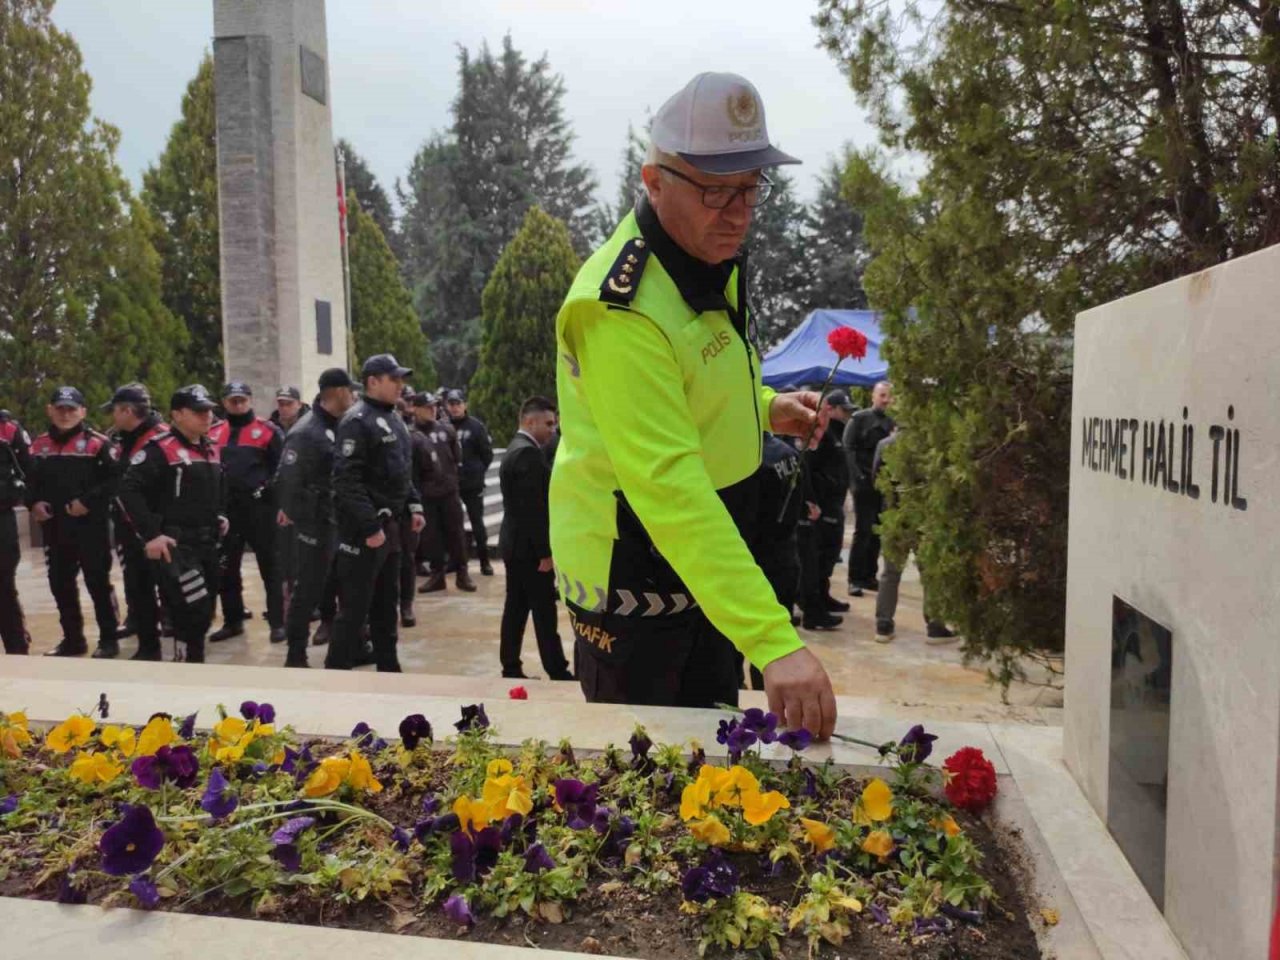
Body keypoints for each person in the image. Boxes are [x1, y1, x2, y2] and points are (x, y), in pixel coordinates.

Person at [547, 72, 836, 737]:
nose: (738, 212)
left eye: (750, 188)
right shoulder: (619, 309)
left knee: (716, 743)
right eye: (714, 190)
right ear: (653, 181)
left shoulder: (702, 255)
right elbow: (667, 484)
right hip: (636, 568)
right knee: (650, 781)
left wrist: (764, 406)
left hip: (707, 561)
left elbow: (701, 375)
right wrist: (775, 642)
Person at [326, 354, 425, 672]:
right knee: (354, 610)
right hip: (364, 532)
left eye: (401, 379)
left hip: (390, 528)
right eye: (394, 379)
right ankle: (336, 672)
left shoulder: (394, 418)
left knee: (387, 604)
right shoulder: (357, 421)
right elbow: (346, 480)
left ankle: (388, 665)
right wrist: (369, 527)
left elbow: (399, 471)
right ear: (373, 382)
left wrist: (413, 504)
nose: (401, 385)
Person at [117, 385, 227, 664]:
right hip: (177, 546)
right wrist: (151, 535)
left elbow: (206, 491)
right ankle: (185, 668)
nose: (207, 416)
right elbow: (128, 489)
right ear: (177, 415)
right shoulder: (160, 449)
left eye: (209, 410)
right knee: (192, 608)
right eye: (198, 411)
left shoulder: (210, 448)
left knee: (205, 614)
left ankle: (193, 665)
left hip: (207, 544)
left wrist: (219, 515)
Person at [26, 386, 121, 658]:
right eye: (60, 408)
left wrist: (87, 502)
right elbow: (31, 481)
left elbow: (115, 480)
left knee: (98, 584)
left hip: (91, 528)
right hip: (56, 530)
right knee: (61, 585)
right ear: (50, 410)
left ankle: (109, 639)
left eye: (71, 409)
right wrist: (34, 503)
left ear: (83, 412)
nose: (65, 414)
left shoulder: (98, 444)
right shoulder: (39, 444)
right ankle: (73, 640)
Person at [274, 368, 356, 667]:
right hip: (315, 523)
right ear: (335, 393)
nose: (354, 395)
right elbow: (286, 480)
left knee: (343, 585)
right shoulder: (306, 431)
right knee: (307, 589)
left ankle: (351, 644)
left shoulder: (341, 424)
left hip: (338, 520)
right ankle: (296, 654)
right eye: (350, 390)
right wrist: (302, 516)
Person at [498, 396, 573, 681]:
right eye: (549, 423)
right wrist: (545, 552)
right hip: (529, 550)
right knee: (543, 611)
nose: (553, 429)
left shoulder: (517, 449)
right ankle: (557, 669)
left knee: (515, 608)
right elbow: (533, 510)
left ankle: (511, 667)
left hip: (515, 545)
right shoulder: (528, 454)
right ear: (530, 421)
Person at [208, 381, 285, 643]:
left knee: (270, 567)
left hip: (260, 510)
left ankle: (278, 622)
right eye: (232, 400)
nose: (238, 404)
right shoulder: (214, 431)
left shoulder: (267, 431)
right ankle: (233, 621)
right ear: (224, 402)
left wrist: (269, 492)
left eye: (242, 399)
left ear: (250, 400)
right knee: (226, 569)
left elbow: (282, 469)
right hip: (227, 512)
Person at [870, 428, 957, 645]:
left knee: (890, 573)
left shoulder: (885, 444)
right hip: (924, 516)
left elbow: (876, 480)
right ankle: (935, 626)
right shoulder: (930, 445)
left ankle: (883, 624)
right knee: (930, 573)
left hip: (894, 514)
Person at [105, 384, 170, 660]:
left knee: (170, 589)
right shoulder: (122, 438)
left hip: (158, 529)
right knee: (138, 587)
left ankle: (185, 649)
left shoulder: (161, 438)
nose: (112, 417)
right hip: (129, 528)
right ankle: (148, 646)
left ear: (128, 411)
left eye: (114, 411)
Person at [742, 432, 804, 688]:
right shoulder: (788, 452)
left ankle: (748, 692)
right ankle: (764, 693)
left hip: (758, 560)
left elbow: (748, 516)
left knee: (744, 641)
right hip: (786, 554)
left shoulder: (751, 459)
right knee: (775, 636)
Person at [410, 392, 474, 595]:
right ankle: (437, 575)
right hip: (427, 494)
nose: (432, 409)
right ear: (415, 408)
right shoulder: (411, 435)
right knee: (432, 537)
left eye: (435, 406)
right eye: (427, 406)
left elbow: (456, 458)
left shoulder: (447, 430)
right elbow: (412, 470)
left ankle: (463, 573)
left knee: (456, 533)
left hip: (449, 491)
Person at [804, 390, 853, 618]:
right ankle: (814, 605)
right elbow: (807, 467)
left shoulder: (837, 432)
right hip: (823, 504)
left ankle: (823, 596)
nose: (846, 414)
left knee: (831, 553)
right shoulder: (820, 432)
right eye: (843, 409)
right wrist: (813, 500)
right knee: (819, 556)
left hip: (835, 502)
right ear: (829, 409)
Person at [844, 381, 895, 595]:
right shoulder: (859, 419)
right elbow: (848, 449)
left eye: (888, 396)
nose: (885, 400)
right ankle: (854, 578)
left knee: (877, 531)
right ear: (873, 396)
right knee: (863, 530)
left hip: (884, 484)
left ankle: (869, 575)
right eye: (882, 395)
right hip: (863, 483)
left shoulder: (893, 422)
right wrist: (858, 477)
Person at [445, 389, 495, 576]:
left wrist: (476, 473)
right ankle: (455, 561)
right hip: (450, 484)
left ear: (465, 404)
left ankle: (484, 562)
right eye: (451, 404)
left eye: (458, 403)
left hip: (472, 484)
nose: (455, 407)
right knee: (452, 523)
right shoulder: (443, 426)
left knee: (477, 523)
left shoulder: (476, 426)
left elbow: (487, 454)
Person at [0, 408, 34, 655]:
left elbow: (29, 471)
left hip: (1, 516)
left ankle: (17, 647)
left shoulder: (8, 429)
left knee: (3, 586)